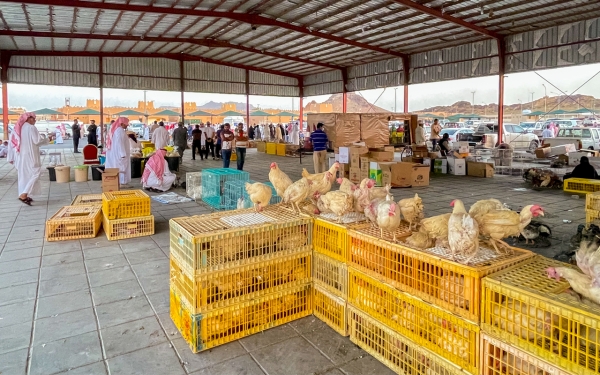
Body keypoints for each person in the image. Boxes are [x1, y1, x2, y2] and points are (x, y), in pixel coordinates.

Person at [8, 112, 48, 205]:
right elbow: (37, 140)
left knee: (24, 175)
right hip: (30, 155)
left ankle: (23, 194)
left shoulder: (19, 128)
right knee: (36, 172)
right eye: (34, 118)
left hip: (22, 155)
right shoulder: (31, 127)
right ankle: (24, 194)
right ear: (29, 118)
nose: (35, 120)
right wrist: (46, 138)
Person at [105, 117, 131, 185]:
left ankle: (119, 181)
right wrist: (122, 153)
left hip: (117, 153)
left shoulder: (117, 130)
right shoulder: (119, 130)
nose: (127, 125)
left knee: (118, 167)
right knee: (121, 167)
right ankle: (122, 182)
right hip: (120, 153)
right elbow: (120, 142)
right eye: (126, 124)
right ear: (122, 124)